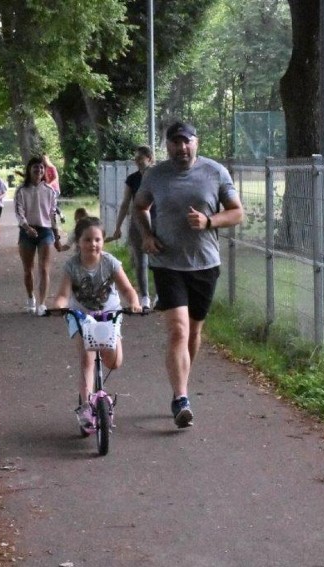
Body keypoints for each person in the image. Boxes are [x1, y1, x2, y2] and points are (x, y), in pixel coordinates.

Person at [133, 121, 244, 428]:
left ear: (196, 142)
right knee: (178, 331)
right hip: (167, 263)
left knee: (194, 333)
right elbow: (140, 206)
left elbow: (237, 212)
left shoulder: (215, 172)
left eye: (186, 142)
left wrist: (209, 221)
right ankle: (181, 397)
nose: (181, 148)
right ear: (167, 146)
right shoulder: (155, 175)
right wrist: (146, 234)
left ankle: (180, 384)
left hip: (204, 264)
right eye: (175, 143)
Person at [51, 216, 141, 431]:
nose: (93, 244)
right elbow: (63, 294)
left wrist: (135, 302)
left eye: (98, 239)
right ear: (78, 242)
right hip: (82, 315)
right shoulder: (72, 266)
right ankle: (86, 406)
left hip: (108, 312)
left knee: (115, 361)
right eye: (88, 239)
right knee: (86, 361)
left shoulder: (110, 262)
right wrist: (58, 307)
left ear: (103, 241)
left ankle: (95, 396)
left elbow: (127, 290)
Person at [109, 145, 155, 310]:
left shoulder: (158, 176)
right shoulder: (133, 179)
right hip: (138, 223)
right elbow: (125, 203)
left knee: (159, 261)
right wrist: (118, 226)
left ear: (149, 158)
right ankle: (144, 297)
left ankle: (161, 295)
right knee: (140, 260)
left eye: (139, 158)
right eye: (135, 159)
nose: (136, 161)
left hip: (157, 222)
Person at [15, 156, 60, 316]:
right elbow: (19, 213)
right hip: (27, 232)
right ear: (29, 169)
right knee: (28, 269)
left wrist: (57, 235)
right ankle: (30, 298)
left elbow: (53, 214)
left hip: (45, 232)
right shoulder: (21, 190)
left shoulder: (50, 191)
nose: (39, 170)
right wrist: (27, 227)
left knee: (44, 269)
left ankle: (42, 304)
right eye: (35, 167)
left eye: (41, 168)